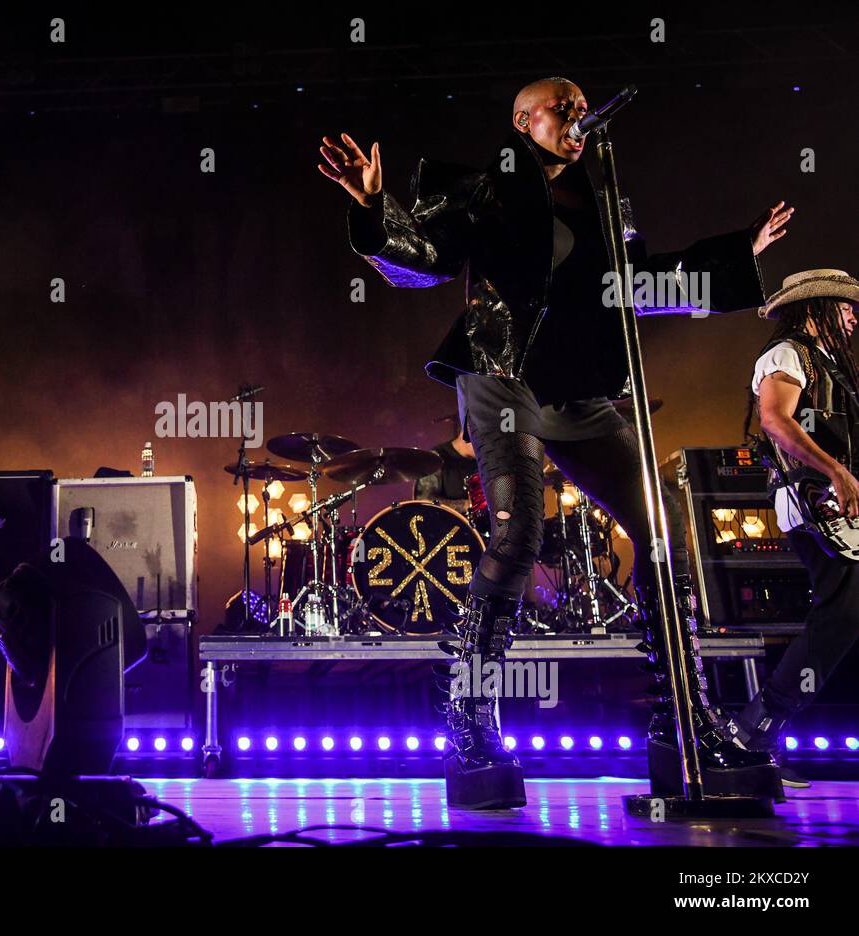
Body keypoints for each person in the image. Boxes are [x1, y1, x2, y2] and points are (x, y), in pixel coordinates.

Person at [319, 77, 789, 808]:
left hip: (575, 388)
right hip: (500, 376)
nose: (577, 115)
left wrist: (734, 255)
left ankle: (682, 725)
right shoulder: (488, 188)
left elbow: (640, 283)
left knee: (663, 529)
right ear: (522, 121)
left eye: (579, 105)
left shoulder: (602, 201)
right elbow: (429, 254)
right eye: (559, 107)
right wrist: (373, 208)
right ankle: (471, 726)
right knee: (520, 532)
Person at [737, 270, 859, 788]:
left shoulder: (828, 364)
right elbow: (774, 420)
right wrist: (835, 471)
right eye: (847, 308)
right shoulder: (789, 353)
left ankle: (758, 728)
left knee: (845, 613)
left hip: (833, 501)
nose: (854, 318)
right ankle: (753, 730)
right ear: (819, 308)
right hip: (812, 502)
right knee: (844, 611)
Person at [413, 416, 478, 517]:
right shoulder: (435, 458)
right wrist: (467, 505)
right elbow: (424, 501)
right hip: (445, 528)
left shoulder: (482, 462)